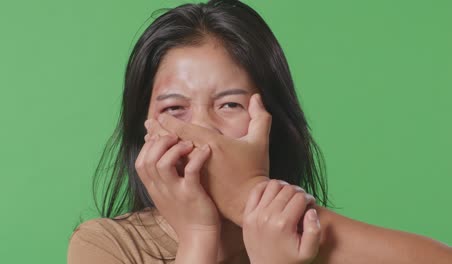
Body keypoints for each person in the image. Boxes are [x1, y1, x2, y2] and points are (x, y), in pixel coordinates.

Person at [67, 1, 452, 263]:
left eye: (230, 105)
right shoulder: (106, 246)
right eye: (174, 109)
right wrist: (199, 236)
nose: (201, 128)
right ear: (143, 129)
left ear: (271, 121)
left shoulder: (310, 235)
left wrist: (251, 195)